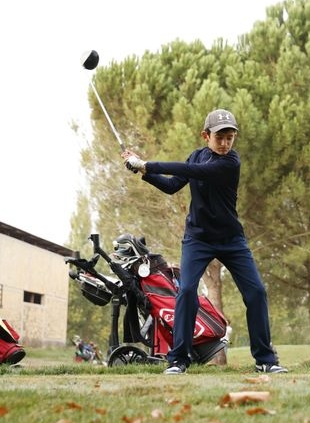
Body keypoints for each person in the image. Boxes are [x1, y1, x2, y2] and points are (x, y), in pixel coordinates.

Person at [121, 109, 287, 375]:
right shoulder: (197, 155)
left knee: (256, 292)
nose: (225, 143)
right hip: (198, 239)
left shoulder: (230, 163)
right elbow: (173, 185)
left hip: (231, 239)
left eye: (230, 138)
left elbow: (191, 170)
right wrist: (143, 172)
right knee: (186, 291)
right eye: (219, 137)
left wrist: (146, 164)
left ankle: (265, 359)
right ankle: (179, 359)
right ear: (205, 135)